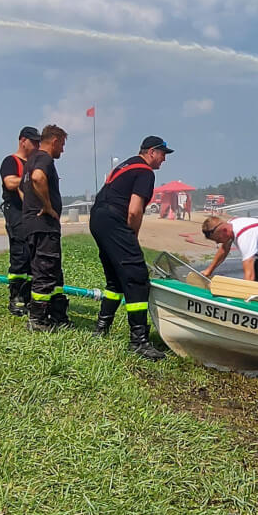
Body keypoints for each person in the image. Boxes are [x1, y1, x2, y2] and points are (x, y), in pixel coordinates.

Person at [90, 136, 171, 359]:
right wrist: (131, 236)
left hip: (98, 218)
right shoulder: (145, 171)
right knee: (137, 276)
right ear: (152, 152)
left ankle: (101, 328)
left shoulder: (125, 165)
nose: (164, 159)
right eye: (163, 154)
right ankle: (138, 341)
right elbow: (134, 210)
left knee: (115, 278)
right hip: (115, 220)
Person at [21, 125, 71, 331]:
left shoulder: (31, 159)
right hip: (44, 225)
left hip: (32, 224)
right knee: (45, 270)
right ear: (55, 140)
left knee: (52, 272)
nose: (63, 150)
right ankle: (37, 320)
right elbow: (38, 177)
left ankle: (57, 314)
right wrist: (48, 206)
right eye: (62, 145)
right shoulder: (44, 159)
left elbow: (24, 187)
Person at [0, 125, 41, 315]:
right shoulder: (11, 161)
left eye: (39, 143)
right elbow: (9, 182)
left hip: (33, 212)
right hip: (16, 211)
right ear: (23, 141)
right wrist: (30, 177)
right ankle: (16, 298)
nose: (37, 146)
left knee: (33, 254)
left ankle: (29, 296)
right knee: (20, 253)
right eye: (34, 142)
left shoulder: (34, 163)